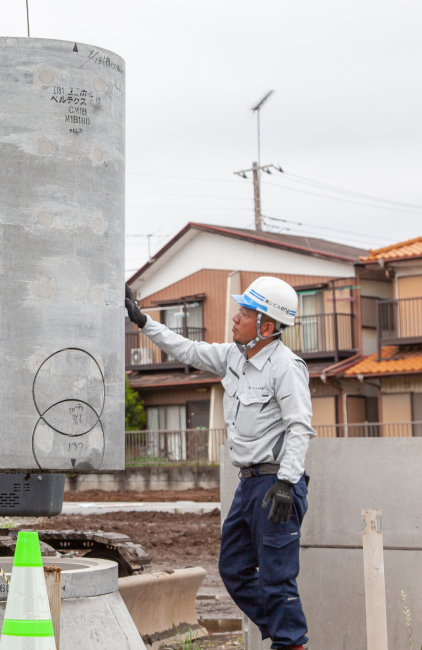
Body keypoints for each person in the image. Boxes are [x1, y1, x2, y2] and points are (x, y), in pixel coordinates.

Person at [125, 276, 314, 650]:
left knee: (277, 577)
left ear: (267, 326)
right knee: (233, 569)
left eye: (245, 312)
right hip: (249, 484)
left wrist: (287, 484)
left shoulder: (286, 367)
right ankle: (285, 635)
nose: (235, 318)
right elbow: (189, 351)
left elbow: (299, 428)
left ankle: (290, 642)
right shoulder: (233, 357)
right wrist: (144, 322)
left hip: (277, 485)